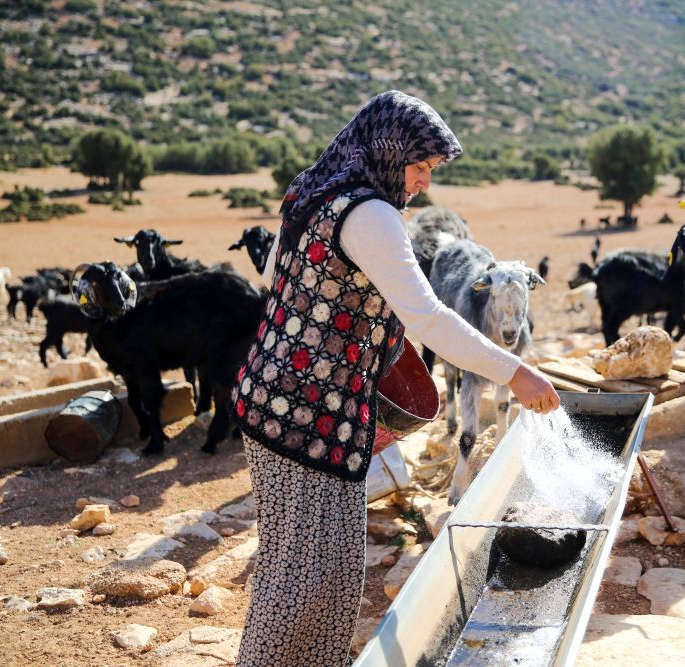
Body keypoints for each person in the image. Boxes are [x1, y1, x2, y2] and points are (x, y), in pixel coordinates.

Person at [230, 90, 560, 666]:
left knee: (307, 573)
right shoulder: (372, 215)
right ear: (387, 152)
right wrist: (517, 373)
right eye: (420, 167)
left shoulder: (315, 190)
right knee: (309, 583)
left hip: (271, 402)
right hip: (309, 421)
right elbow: (430, 317)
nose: (425, 182)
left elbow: (274, 276)